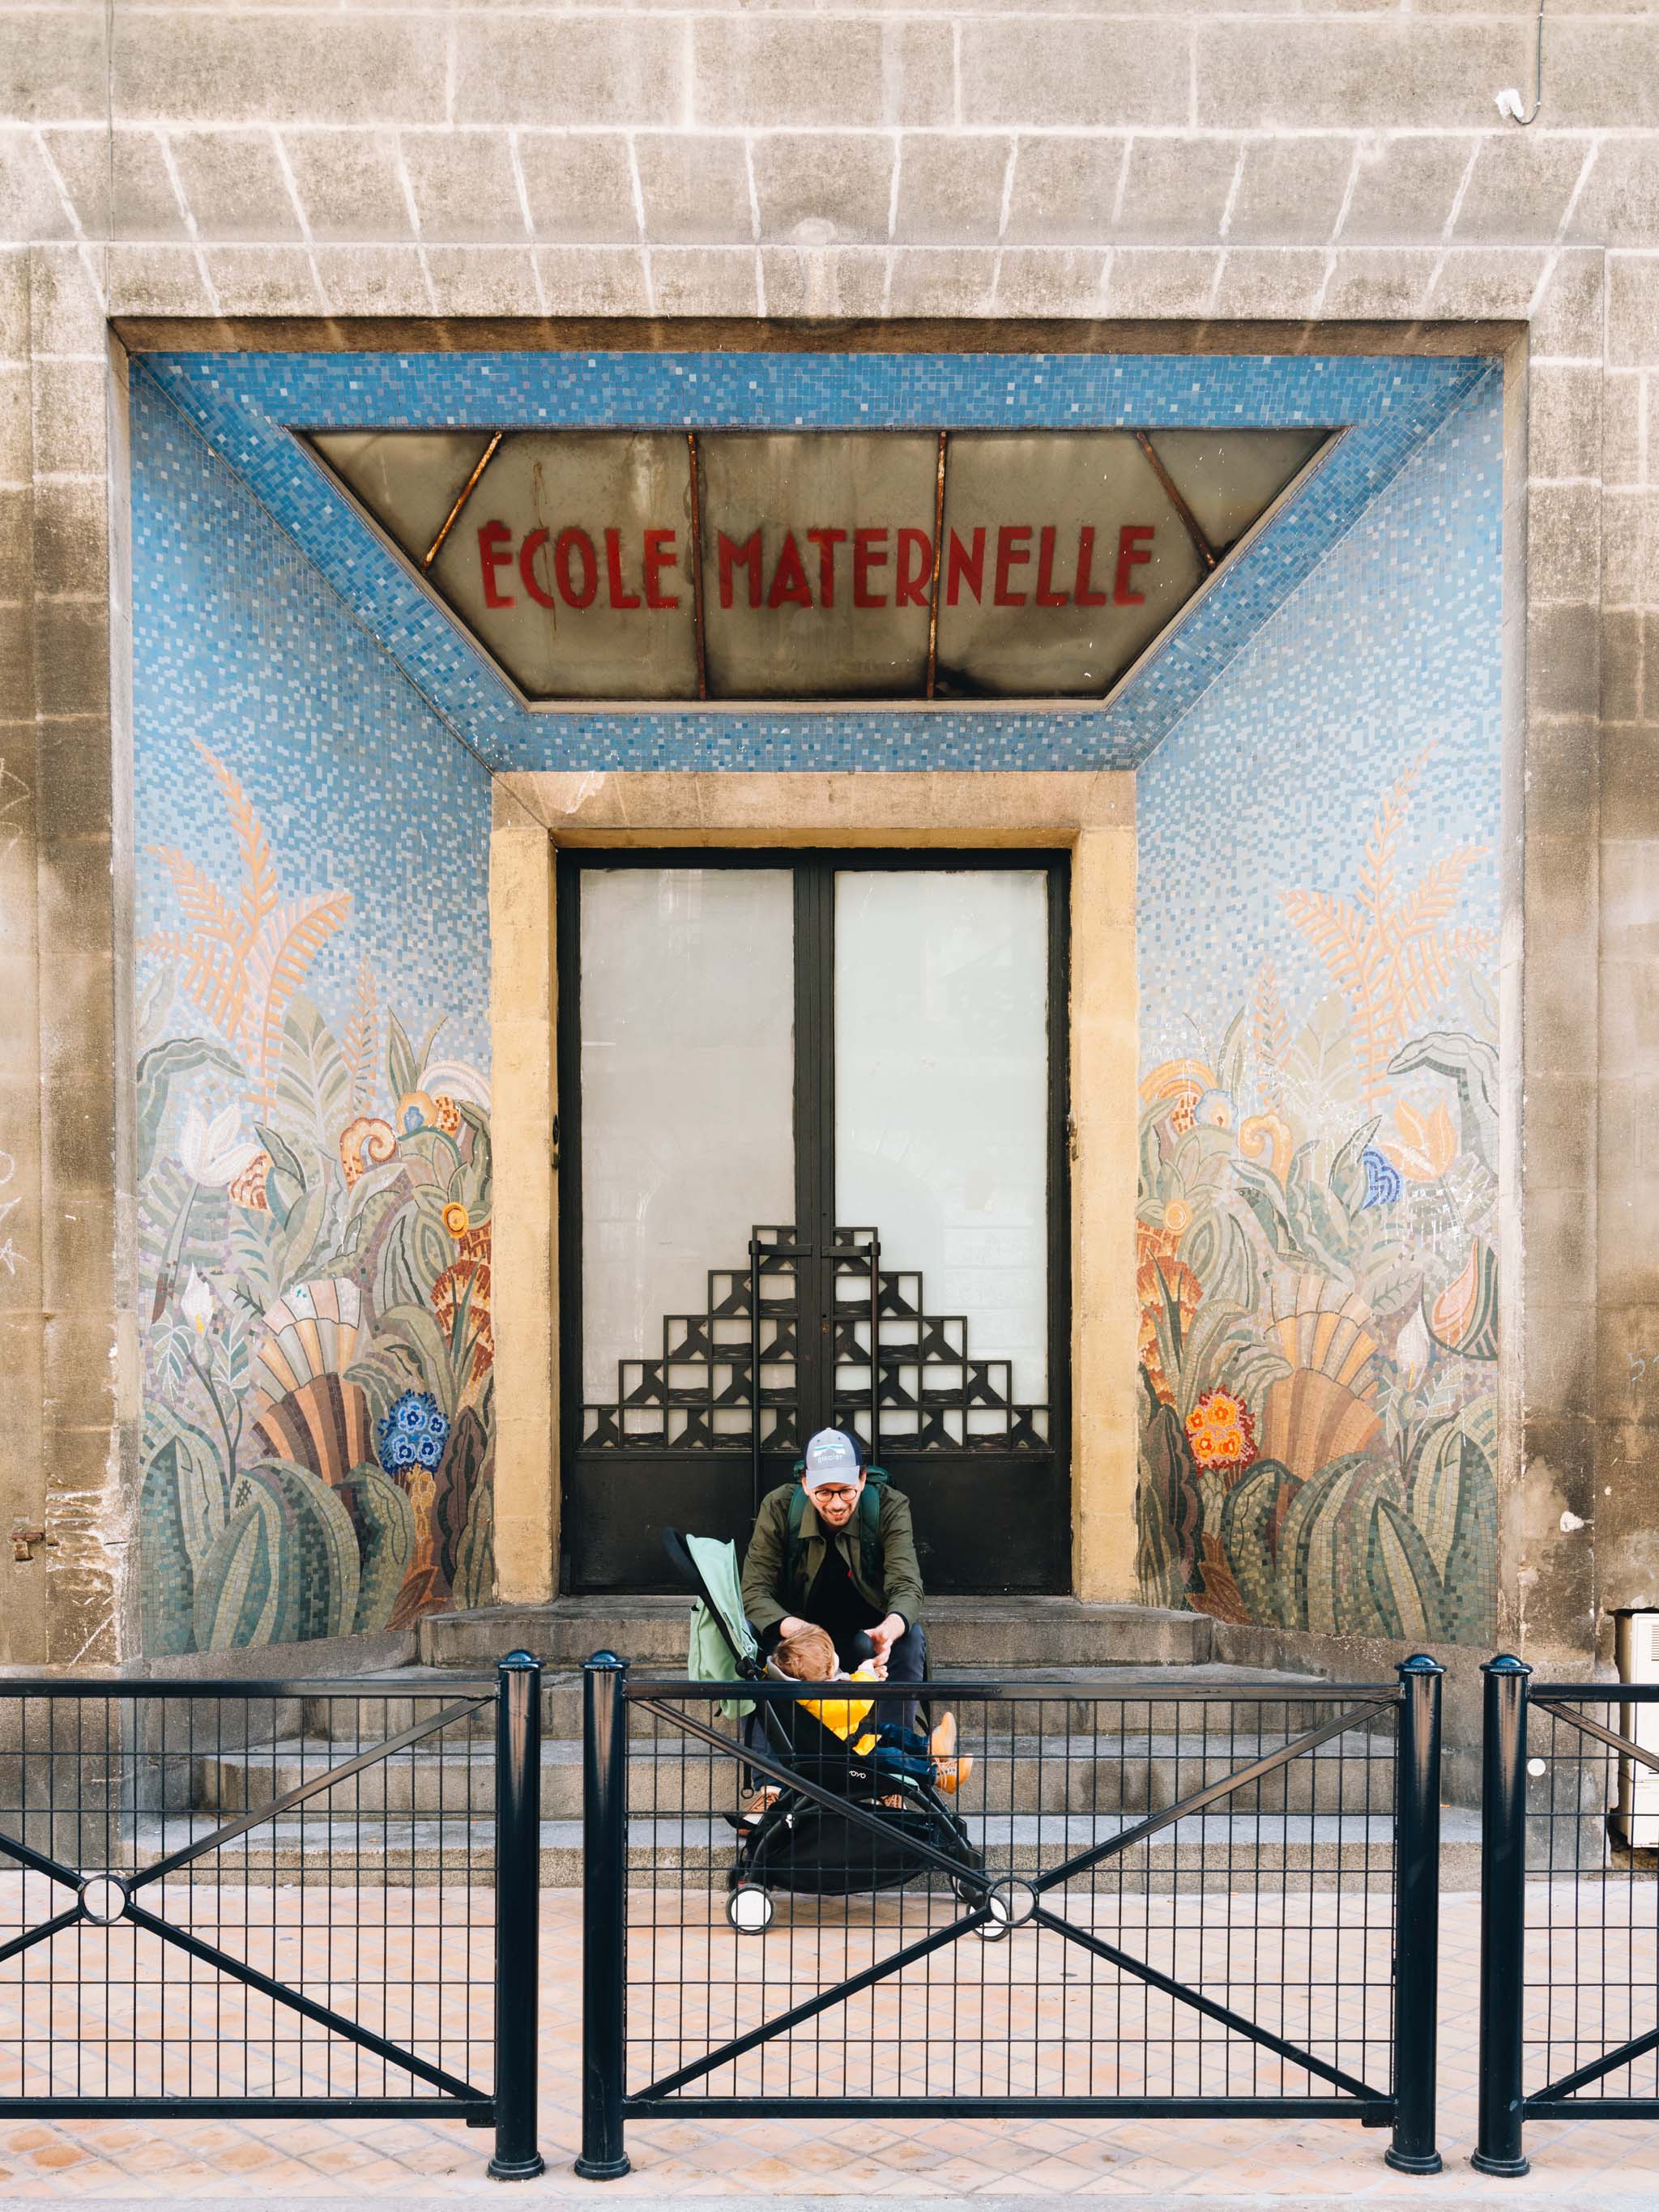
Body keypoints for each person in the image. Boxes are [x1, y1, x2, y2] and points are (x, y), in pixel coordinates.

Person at [740, 1426, 926, 1687]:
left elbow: (906, 1585)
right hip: (799, 1635)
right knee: (749, 1632)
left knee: (909, 1638)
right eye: (824, 1492)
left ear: (862, 1479)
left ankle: (893, 1730)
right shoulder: (778, 1507)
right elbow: (754, 1590)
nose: (837, 1504)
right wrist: (803, 1633)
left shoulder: (889, 1506)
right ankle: (776, 1729)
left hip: (866, 1636)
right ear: (805, 1483)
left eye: (846, 1490)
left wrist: (889, 1630)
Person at [770, 1622, 969, 1798]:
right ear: (829, 1670)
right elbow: (857, 1704)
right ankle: (939, 1777)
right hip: (851, 1758)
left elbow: (845, 1686)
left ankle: (930, 1746)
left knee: (888, 1730)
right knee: (892, 1757)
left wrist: (870, 1674)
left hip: (852, 1740)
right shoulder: (816, 1701)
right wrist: (866, 1675)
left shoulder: (807, 1691)